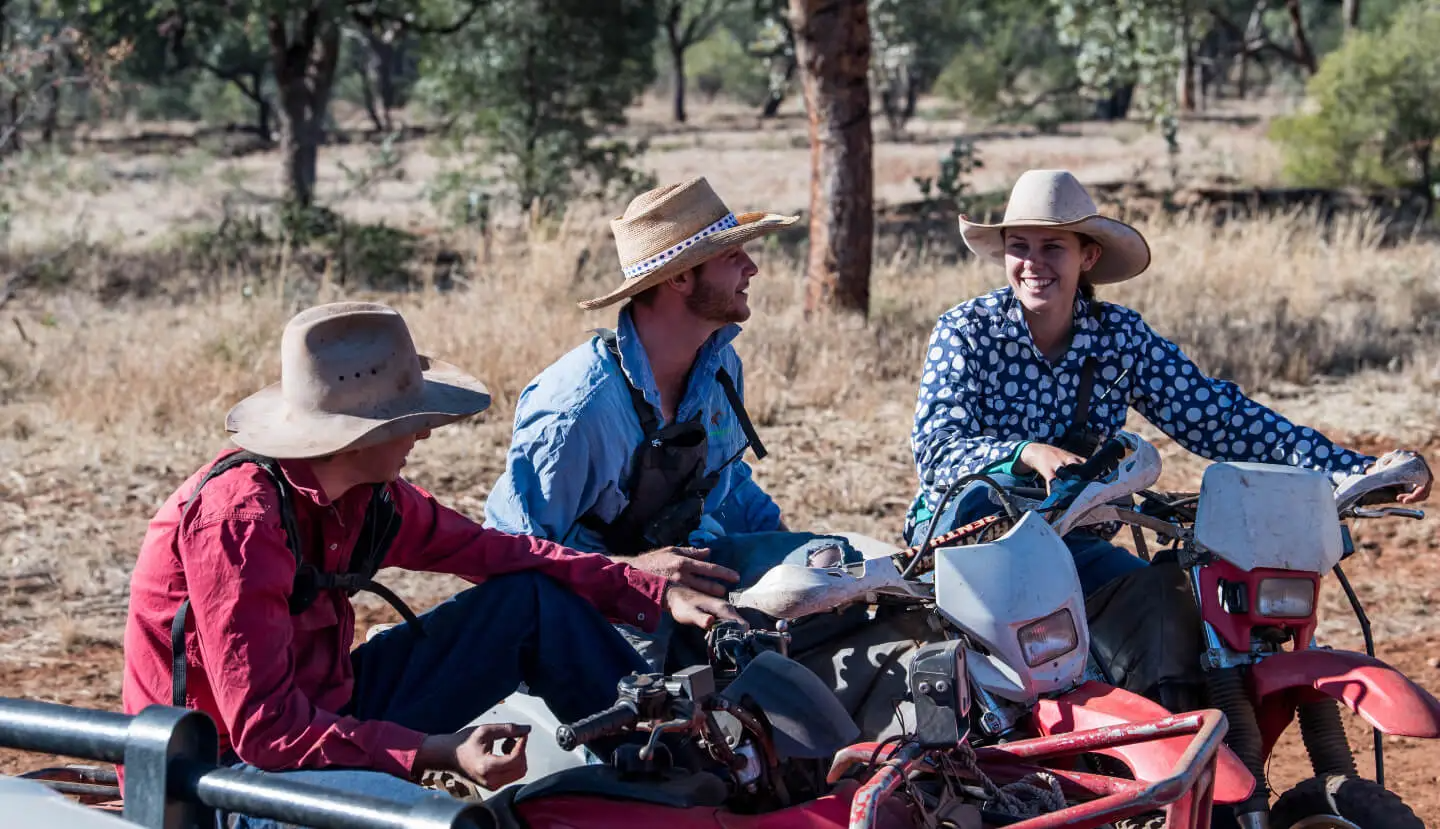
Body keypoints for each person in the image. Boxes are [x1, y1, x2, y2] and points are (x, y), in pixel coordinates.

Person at [121, 301, 737, 828]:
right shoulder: (239, 524)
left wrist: (645, 587)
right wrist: (432, 752)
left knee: (531, 601)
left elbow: (497, 551)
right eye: (410, 422)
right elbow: (269, 733)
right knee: (435, 821)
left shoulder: (369, 495)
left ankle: (680, 776)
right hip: (224, 781)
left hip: (327, 713)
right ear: (357, 437)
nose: (424, 436)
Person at [907, 169, 1433, 595]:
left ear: (1087, 257)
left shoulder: (1120, 337)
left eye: (1054, 248)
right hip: (966, 548)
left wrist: (1352, 470)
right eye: (1020, 247)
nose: (1033, 264)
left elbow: (1218, 419)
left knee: (1169, 613)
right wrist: (1029, 453)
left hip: (1075, 544)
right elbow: (936, 452)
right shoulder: (966, 331)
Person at [485, 177, 856, 670]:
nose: (753, 268)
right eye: (732, 257)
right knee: (653, 695)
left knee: (834, 568)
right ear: (679, 278)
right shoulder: (576, 407)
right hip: (597, 597)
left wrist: (790, 556)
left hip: (696, 566)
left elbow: (727, 484)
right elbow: (510, 555)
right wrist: (637, 574)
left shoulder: (721, 367)